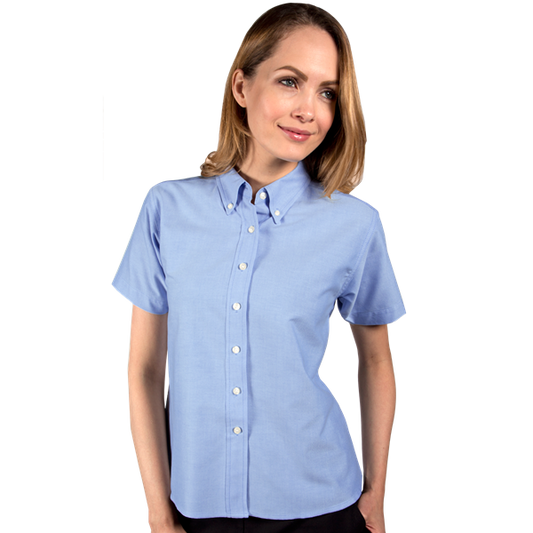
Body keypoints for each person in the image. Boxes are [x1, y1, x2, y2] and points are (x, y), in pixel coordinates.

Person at [110, 1, 408, 532]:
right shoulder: (165, 208)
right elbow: (144, 370)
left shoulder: (356, 223)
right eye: (290, 81)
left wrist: (376, 496)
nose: (309, 110)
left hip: (321, 505)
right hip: (197, 507)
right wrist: (156, 513)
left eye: (328, 92)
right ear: (242, 86)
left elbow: (376, 360)